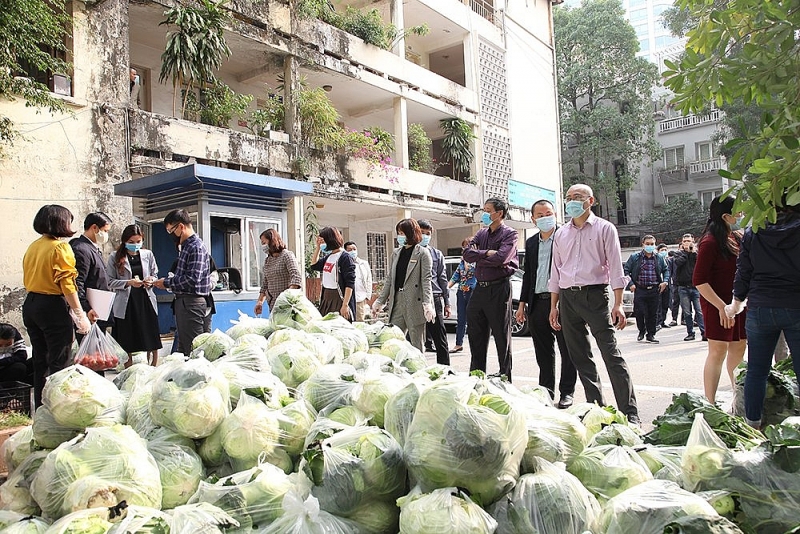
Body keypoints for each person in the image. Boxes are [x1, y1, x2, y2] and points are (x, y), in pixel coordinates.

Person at [548, 184, 639, 425]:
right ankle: (596, 409)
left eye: (577, 197)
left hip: (596, 296)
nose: (571, 201)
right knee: (581, 358)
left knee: (611, 354)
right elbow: (556, 272)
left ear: (591, 201)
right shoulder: (561, 233)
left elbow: (617, 267)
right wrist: (554, 305)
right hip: (568, 298)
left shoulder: (605, 229)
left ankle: (630, 413)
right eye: (568, 197)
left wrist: (618, 303)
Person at [725, 201, 800, 429]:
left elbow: (744, 271)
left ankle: (752, 426)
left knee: (757, 371)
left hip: (760, 308)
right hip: (795, 305)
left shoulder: (753, 231)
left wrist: (736, 302)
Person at [23, 205, 90, 408]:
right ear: (61, 223)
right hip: (52, 306)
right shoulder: (60, 247)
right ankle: (59, 408)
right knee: (60, 360)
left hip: (32, 304)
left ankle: (43, 407)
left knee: (40, 360)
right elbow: (67, 284)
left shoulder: (34, 246)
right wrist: (79, 313)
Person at [516, 199, 577, 408]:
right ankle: (546, 391)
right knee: (543, 351)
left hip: (561, 302)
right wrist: (522, 304)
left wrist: (560, 302)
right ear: (533, 219)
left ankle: (567, 392)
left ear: (556, 215)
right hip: (537, 302)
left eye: (548, 213)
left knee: (567, 349)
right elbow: (528, 275)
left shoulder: (566, 236)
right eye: (540, 215)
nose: (545, 218)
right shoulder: (532, 242)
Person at [694, 195, 746, 405]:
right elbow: (699, 281)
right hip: (717, 303)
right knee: (718, 350)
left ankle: (739, 399)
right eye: (738, 211)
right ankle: (710, 403)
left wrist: (735, 305)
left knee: (739, 347)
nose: (742, 214)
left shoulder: (735, 237)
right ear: (726, 216)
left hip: (737, 304)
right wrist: (721, 307)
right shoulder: (710, 241)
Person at [463, 198, 518, 381]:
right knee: (476, 334)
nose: (484, 214)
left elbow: (502, 258)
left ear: (499, 213)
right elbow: (466, 254)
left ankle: (505, 376)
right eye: (484, 210)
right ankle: (476, 376)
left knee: (501, 335)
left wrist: (478, 257)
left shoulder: (510, 234)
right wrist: (486, 253)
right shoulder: (481, 234)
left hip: (499, 288)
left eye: (488, 210)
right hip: (480, 289)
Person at [153, 209, 212, 354]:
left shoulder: (196, 247)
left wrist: (166, 283)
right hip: (184, 303)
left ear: (180, 227)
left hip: (191, 303)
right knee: (184, 348)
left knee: (194, 350)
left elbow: (192, 279)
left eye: (170, 231)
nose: (171, 236)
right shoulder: (186, 247)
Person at [372, 219, 434, 351]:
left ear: (411, 233)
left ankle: (419, 369)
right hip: (397, 300)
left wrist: (427, 304)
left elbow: (426, 280)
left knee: (416, 343)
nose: (400, 236)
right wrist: (380, 301)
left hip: (415, 301)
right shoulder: (396, 253)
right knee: (393, 339)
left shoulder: (422, 253)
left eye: (403, 233)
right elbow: (390, 279)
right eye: (399, 233)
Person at [106, 224, 161, 367]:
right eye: (131, 242)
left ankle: (154, 362)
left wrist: (151, 280)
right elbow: (110, 281)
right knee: (127, 335)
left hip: (145, 297)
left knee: (150, 331)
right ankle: (127, 363)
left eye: (138, 241)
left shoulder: (147, 254)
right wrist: (128, 283)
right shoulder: (115, 256)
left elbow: (155, 274)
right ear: (124, 241)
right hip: (126, 301)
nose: (135, 245)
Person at [70, 212, 113, 341]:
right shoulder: (81, 249)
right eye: (105, 231)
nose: (106, 235)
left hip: (99, 309)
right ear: (94, 228)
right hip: (91, 311)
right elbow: (78, 282)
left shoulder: (92, 248)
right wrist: (86, 308)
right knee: (90, 354)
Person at [417, 220, 451, 365]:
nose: (425, 236)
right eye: (422, 233)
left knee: (439, 335)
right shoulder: (409, 252)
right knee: (413, 337)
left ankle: (445, 369)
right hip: (414, 298)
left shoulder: (436, 254)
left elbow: (443, 279)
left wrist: (447, 303)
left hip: (434, 298)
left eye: (428, 234)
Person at [624, 235, 669, 344]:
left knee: (652, 313)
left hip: (654, 289)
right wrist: (630, 284)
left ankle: (651, 334)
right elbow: (626, 271)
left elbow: (666, 270)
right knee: (640, 312)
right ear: (643, 244)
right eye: (647, 244)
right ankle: (641, 330)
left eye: (652, 244)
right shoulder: (635, 257)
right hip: (640, 289)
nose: (650, 246)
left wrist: (665, 281)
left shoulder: (659, 258)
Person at [310, 227, 356, 321]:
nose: (322, 244)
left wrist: (345, 305)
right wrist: (318, 247)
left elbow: (350, 283)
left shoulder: (345, 257)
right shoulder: (329, 257)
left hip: (339, 298)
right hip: (327, 297)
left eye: (323, 241)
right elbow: (314, 265)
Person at [255, 229, 302, 317]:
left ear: (272, 241)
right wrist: (260, 302)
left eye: (264, 243)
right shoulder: (268, 260)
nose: (263, 246)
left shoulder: (286, 255)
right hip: (273, 304)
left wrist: (286, 297)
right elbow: (265, 284)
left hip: (287, 304)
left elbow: (296, 277)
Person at [674, 233, 706, 341]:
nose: (687, 243)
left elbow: (700, 263)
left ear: (693, 241)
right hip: (683, 287)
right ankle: (690, 333)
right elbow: (679, 263)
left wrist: (692, 252)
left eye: (689, 241)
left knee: (699, 311)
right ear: (682, 243)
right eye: (685, 241)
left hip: (695, 287)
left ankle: (704, 333)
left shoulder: (696, 254)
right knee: (687, 312)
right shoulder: (678, 254)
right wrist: (686, 253)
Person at [447, 238, 476, 354]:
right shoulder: (461, 263)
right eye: (464, 247)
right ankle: (459, 344)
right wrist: (446, 288)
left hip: (473, 292)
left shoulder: (478, 261)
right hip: (461, 292)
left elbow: (472, 271)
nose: (465, 249)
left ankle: (476, 344)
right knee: (461, 319)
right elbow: (455, 277)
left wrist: (468, 260)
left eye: (468, 246)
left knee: (473, 320)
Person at [344, 241, 373, 322]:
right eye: (349, 250)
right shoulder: (343, 263)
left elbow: (369, 279)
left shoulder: (363, 263)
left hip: (360, 297)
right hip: (347, 298)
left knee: (359, 322)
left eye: (354, 249)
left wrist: (367, 295)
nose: (352, 251)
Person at [655, 243, 672, 330]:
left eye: (665, 250)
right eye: (662, 250)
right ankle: (657, 322)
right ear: (658, 251)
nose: (664, 252)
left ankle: (663, 321)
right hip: (658, 285)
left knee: (665, 304)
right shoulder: (656, 260)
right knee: (658, 304)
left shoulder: (669, 261)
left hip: (667, 285)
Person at [666, 249, 680, 327]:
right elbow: (669, 272)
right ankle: (674, 319)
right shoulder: (672, 260)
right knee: (675, 302)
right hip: (675, 284)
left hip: (688, 284)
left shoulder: (690, 257)